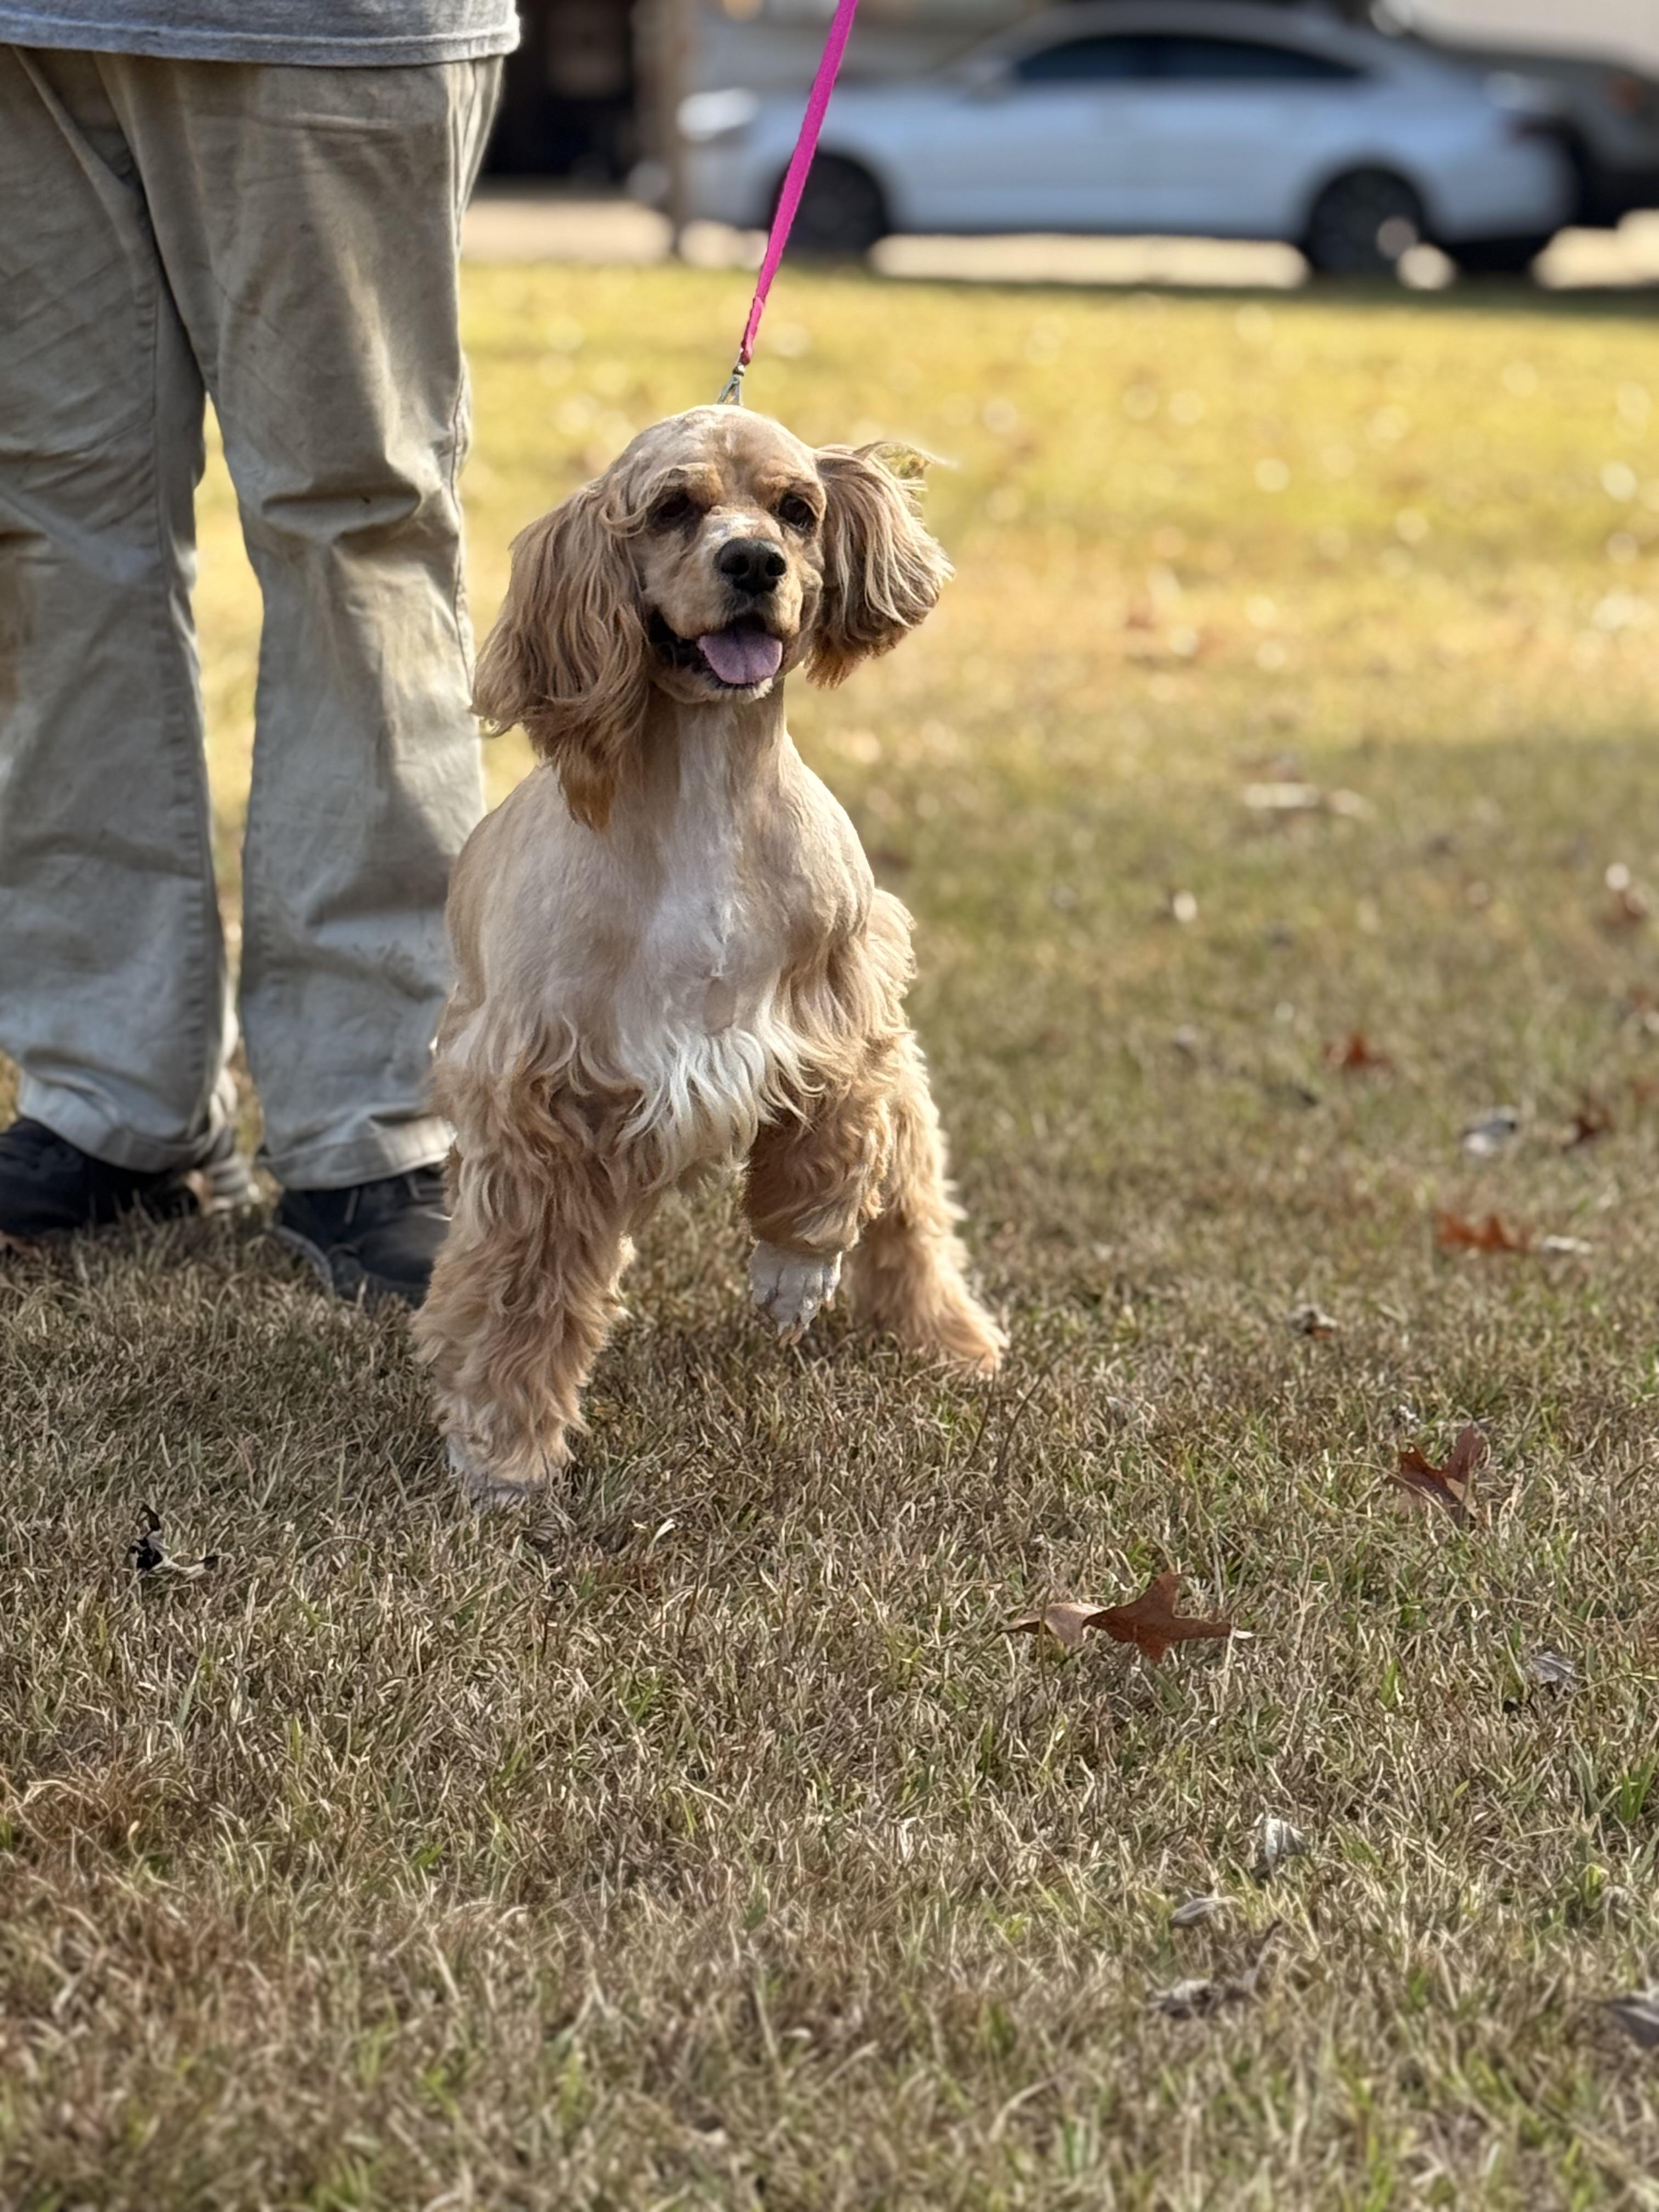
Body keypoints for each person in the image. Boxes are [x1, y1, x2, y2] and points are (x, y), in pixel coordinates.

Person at [0, 2, 517, 1303]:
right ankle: (105, 1096)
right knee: (50, 533)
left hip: (325, 24)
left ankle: (378, 1120)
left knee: (357, 530)